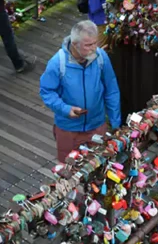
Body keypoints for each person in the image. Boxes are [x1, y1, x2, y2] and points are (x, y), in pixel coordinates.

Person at [39, 20, 122, 163]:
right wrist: (65, 109)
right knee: (67, 170)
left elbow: (111, 90)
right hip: (68, 129)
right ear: (75, 44)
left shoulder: (101, 57)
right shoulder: (57, 63)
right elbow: (47, 92)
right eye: (88, 45)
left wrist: (115, 123)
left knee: (98, 168)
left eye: (95, 43)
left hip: (97, 126)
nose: (94, 48)